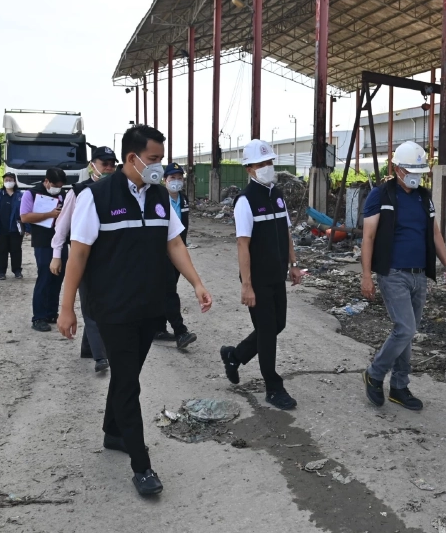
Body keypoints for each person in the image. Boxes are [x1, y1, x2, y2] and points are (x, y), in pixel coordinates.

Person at [57, 125, 212, 497]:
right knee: (129, 381)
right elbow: (77, 254)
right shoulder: (96, 197)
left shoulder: (159, 195)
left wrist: (197, 282)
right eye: (154, 159)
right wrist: (66, 308)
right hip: (112, 308)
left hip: (149, 305)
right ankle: (141, 466)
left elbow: (173, 242)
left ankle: (114, 432)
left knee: (127, 374)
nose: (159, 166)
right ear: (133, 159)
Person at [360, 141, 446, 411]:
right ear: (397, 169)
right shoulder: (381, 196)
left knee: (407, 333)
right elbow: (368, 237)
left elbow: (435, 234)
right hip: (393, 273)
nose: (416, 175)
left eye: (420, 170)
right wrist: (366, 275)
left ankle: (399, 387)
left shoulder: (424, 197)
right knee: (405, 328)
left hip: (419, 275)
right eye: (410, 169)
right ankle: (375, 373)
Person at [219, 140, 303, 411]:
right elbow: (242, 244)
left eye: (270, 162)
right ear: (249, 169)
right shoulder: (245, 201)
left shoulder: (276, 194)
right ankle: (273, 387)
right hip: (257, 279)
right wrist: (247, 285)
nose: (268, 167)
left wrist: (293, 264)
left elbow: (287, 231)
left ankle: (235, 356)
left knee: (278, 325)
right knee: (268, 331)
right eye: (262, 164)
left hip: (277, 274)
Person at [50, 146, 118, 373]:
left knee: (104, 303)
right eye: (103, 163)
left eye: (111, 164)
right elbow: (62, 226)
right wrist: (56, 255)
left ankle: (89, 347)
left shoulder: (117, 191)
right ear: (92, 165)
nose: (108, 168)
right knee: (91, 305)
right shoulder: (78, 192)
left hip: (111, 259)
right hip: (84, 258)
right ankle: (101, 357)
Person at [152, 162, 197, 349]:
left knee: (165, 291)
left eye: (180, 178)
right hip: (161, 253)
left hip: (178, 252)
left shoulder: (183, 200)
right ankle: (180, 331)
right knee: (169, 291)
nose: (176, 182)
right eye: (172, 178)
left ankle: (158, 328)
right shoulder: (158, 199)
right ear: (165, 180)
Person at [19, 168, 67, 332]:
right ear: (46, 181)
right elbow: (25, 217)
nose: (57, 188)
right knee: (45, 277)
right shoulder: (31, 194)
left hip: (61, 241)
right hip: (43, 242)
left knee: (58, 278)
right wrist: (50, 214)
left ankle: (51, 313)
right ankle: (38, 317)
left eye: (60, 186)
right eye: (55, 185)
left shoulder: (63, 194)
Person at [0, 171, 24, 280]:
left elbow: (25, 212)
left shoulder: (20, 195)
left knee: (16, 250)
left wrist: (28, 228)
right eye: (6, 180)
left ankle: (17, 271)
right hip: (0, 228)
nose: (8, 182)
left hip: (15, 229)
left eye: (10, 180)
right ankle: (1, 272)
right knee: (1, 250)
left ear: (15, 182)